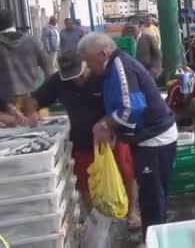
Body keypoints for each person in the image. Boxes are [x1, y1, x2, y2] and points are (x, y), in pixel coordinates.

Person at [22, 51, 141, 227]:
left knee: (127, 172)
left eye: (77, 75)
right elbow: (33, 100)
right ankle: (95, 220)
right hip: (82, 140)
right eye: (70, 76)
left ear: (85, 64)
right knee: (86, 181)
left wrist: (110, 127)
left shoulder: (103, 76)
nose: (75, 80)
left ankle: (131, 212)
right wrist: (32, 112)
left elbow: (124, 105)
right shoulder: (58, 81)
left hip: (112, 135)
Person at [77, 32, 177, 236]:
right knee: (151, 195)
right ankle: (155, 236)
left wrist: (105, 125)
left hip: (155, 139)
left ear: (103, 54)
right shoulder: (110, 69)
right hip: (146, 138)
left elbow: (132, 108)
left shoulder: (121, 68)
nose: (87, 66)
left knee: (152, 199)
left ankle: (155, 239)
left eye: (88, 61)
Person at [0, 9, 50, 106]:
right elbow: (47, 67)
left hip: (6, 102)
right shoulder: (31, 40)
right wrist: (46, 92)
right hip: (33, 97)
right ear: (13, 22)